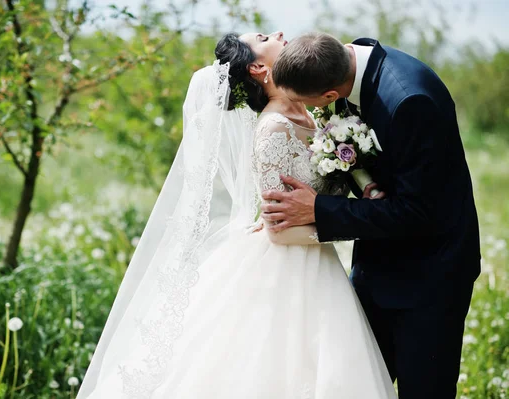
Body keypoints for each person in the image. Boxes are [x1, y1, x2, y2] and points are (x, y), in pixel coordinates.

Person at [77, 32, 397, 399]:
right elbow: (277, 230)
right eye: (264, 38)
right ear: (259, 67)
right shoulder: (274, 128)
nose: (278, 34)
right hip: (288, 265)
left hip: (317, 262)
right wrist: (354, 225)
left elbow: (342, 152)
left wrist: (367, 186)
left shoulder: (311, 107)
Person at [262, 32, 481, 399]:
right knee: (354, 385)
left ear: (331, 96)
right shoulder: (344, 62)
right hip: (376, 264)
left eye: (306, 104)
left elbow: (419, 212)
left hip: (428, 279)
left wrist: (318, 209)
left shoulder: (410, 101)